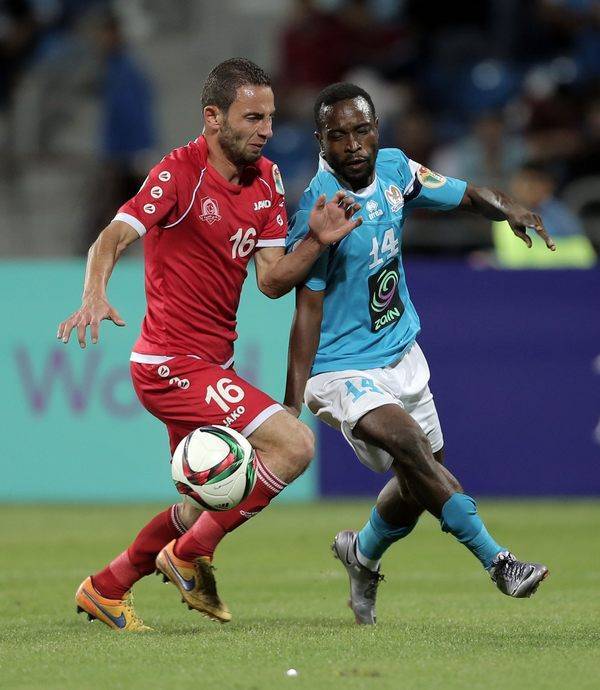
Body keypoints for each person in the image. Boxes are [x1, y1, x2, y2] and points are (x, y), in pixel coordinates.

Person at [57, 59, 362, 632]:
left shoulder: (268, 178)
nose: (266, 130)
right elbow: (112, 237)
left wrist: (317, 242)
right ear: (213, 117)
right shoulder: (178, 173)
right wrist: (94, 292)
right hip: (169, 364)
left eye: (270, 117)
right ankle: (190, 556)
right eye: (252, 118)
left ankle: (106, 587)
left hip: (210, 363)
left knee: (202, 502)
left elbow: (272, 280)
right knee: (295, 445)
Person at [284, 82, 554, 625]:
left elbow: (464, 194)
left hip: (401, 353)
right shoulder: (320, 207)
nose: (354, 145)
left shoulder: (395, 170)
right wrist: (291, 406)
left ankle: (362, 554)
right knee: (411, 446)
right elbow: (306, 311)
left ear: (377, 129)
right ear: (321, 141)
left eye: (362, 130)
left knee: (420, 478)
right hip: (341, 368)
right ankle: (499, 562)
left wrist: (509, 207)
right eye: (339, 136)